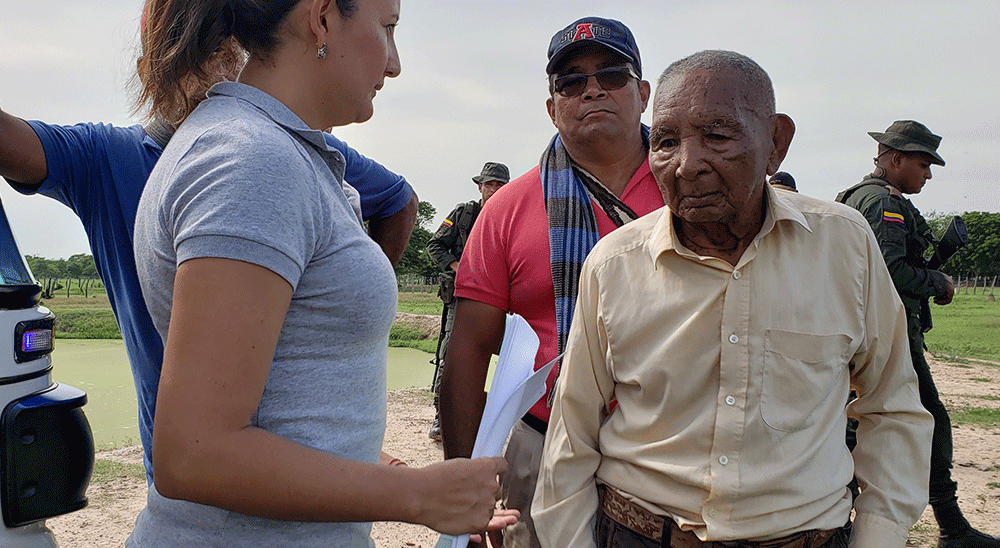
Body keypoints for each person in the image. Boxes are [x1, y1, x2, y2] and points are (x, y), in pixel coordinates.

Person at [126, 0, 514, 546]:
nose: (395, 62)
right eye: (388, 28)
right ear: (324, 17)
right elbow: (195, 453)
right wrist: (420, 498)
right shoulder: (253, 161)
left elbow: (285, 399)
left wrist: (382, 469)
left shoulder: (279, 153)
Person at [532, 50, 934, 548]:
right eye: (665, 142)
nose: (686, 165)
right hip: (638, 534)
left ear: (775, 144)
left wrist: (878, 535)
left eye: (717, 136)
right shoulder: (614, 264)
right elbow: (571, 434)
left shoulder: (843, 245)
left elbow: (893, 407)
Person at [0, 32, 417, 485]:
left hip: (299, 451)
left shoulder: (288, 147)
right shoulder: (104, 157)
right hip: (197, 460)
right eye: (197, 58)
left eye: (226, 55)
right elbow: (14, 143)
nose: (213, 80)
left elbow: (397, 199)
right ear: (151, 72)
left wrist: (341, 306)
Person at [441, 16, 665, 548]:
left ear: (644, 93)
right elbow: (469, 351)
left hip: (671, 448)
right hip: (542, 448)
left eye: (611, 74)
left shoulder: (691, 193)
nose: (591, 88)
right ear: (552, 106)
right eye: (570, 81)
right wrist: (464, 482)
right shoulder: (508, 211)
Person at [837, 120, 1000, 548]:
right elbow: (890, 271)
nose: (927, 173)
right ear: (895, 159)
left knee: (864, 424)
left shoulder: (866, 198)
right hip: (887, 335)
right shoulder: (883, 203)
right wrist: (938, 283)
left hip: (876, 331)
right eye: (923, 163)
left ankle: (840, 517)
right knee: (924, 421)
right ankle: (951, 527)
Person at [425, 161, 509, 441]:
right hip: (461, 298)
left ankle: (488, 416)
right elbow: (434, 245)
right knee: (451, 354)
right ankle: (441, 417)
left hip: (500, 301)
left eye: (500, 185)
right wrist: (457, 266)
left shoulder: (511, 216)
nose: (494, 189)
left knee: (503, 358)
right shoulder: (464, 214)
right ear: (480, 186)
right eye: (489, 184)